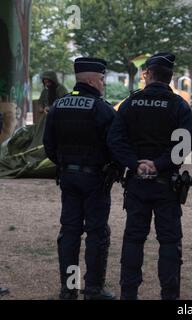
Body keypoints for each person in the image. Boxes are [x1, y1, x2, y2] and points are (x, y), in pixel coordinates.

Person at [107, 52, 192, 300]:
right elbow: (185, 144)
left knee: (134, 239)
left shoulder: (131, 103)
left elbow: (115, 140)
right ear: (170, 77)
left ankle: (129, 293)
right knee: (169, 242)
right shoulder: (178, 105)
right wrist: (159, 164)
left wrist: (135, 164)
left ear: (149, 74)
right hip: (166, 184)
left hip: (136, 183)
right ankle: (169, 295)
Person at [43, 58, 116, 300]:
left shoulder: (58, 105)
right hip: (95, 179)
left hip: (68, 176)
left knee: (70, 233)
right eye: (103, 79)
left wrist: (65, 164)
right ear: (93, 80)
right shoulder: (102, 109)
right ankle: (93, 289)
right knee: (96, 233)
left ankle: (69, 289)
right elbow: (115, 146)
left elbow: (49, 145)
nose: (103, 84)